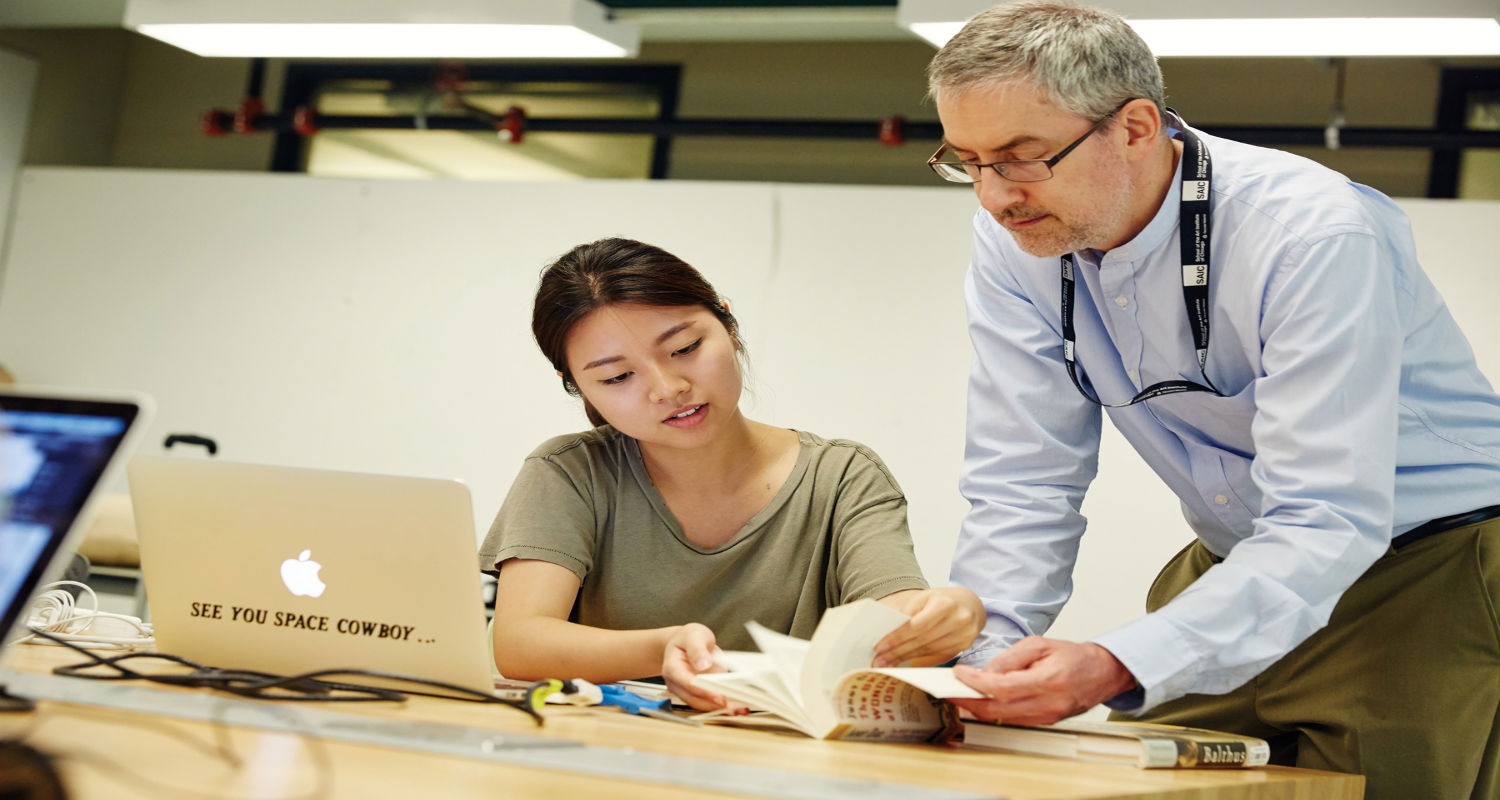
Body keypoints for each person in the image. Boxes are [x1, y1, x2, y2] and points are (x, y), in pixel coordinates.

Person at [925, 3, 1500, 797]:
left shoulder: (1310, 235)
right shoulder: (1017, 238)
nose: (994, 197)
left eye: (1022, 158)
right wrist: (986, 657)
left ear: (1134, 127)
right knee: (1142, 782)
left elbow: (1328, 515)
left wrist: (1119, 660)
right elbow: (1023, 475)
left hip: (1429, 563)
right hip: (1236, 559)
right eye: (969, 162)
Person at [479, 237, 983, 710]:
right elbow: (521, 642)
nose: (667, 387)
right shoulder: (568, 473)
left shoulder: (843, 475)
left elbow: (895, 618)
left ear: (728, 325)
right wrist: (664, 647)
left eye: (684, 349)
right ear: (579, 387)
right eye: (617, 377)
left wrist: (950, 615)